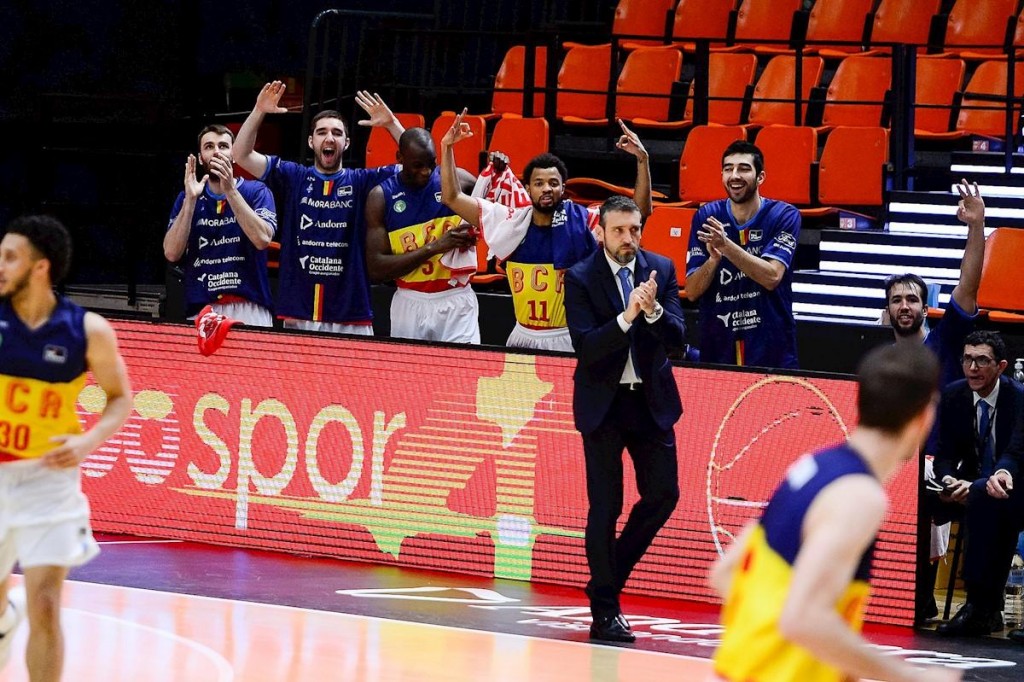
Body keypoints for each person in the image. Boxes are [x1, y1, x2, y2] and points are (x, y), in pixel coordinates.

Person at [710, 344, 961, 682]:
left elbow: (726, 573)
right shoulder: (860, 496)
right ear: (924, 417)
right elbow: (803, 618)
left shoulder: (814, 465)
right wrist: (911, 677)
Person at [0, 215, 132, 680]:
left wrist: (88, 439)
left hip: (47, 481)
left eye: (9, 257)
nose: (0, 266)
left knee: (47, 604)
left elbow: (120, 398)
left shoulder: (86, 330)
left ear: (41, 267)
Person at [563, 195, 687, 642]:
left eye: (634, 229)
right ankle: (606, 611)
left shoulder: (662, 270)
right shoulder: (580, 278)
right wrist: (627, 315)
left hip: (649, 401)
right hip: (604, 404)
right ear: (600, 232)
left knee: (663, 494)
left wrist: (653, 311)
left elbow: (678, 341)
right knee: (606, 506)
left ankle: (605, 580)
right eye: (619, 231)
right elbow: (587, 348)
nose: (629, 238)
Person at [441, 110, 652, 352]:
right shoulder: (509, 222)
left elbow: (639, 212)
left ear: (564, 189)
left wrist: (642, 159)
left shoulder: (585, 221)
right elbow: (452, 197)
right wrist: (447, 147)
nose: (547, 189)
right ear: (528, 188)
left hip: (569, 335)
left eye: (553, 183)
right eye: (539, 183)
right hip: (522, 334)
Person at [233, 82, 404, 334]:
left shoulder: (362, 181)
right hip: (299, 308)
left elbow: (419, 162)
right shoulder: (294, 176)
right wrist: (259, 111)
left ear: (346, 143)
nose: (329, 138)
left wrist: (391, 124)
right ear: (312, 141)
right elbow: (241, 154)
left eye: (337, 133)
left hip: (350, 311)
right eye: (322, 132)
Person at [932, 331, 1024, 636]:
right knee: (924, 498)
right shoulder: (953, 395)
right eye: (967, 359)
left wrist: (999, 476)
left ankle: (980, 606)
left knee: (988, 501)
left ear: (1000, 366)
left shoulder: (1018, 397)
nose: (973, 367)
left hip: (1014, 485)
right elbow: (944, 454)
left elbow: (1016, 450)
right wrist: (948, 480)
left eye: (982, 360)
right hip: (972, 485)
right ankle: (918, 601)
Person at [685, 140, 800, 369]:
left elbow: (771, 277)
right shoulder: (706, 216)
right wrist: (713, 259)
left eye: (744, 168)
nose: (734, 175)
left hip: (771, 348)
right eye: (728, 169)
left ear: (761, 177)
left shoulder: (784, 215)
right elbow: (692, 291)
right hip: (718, 345)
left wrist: (726, 246)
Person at [365, 127, 480, 343]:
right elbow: (376, 269)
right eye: (418, 165)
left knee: (463, 374)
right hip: (409, 300)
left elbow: (496, 208)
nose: (426, 171)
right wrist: (435, 247)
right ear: (399, 158)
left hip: (456, 298)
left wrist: (498, 171)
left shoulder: (458, 180)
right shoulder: (381, 197)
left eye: (431, 163)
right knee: (410, 376)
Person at [164, 124, 277, 326]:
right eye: (209, 146)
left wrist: (230, 191)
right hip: (202, 309)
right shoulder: (188, 197)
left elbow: (262, 239)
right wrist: (190, 201)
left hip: (249, 306)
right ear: (200, 158)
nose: (216, 151)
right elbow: (172, 253)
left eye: (223, 146)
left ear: (233, 155)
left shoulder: (257, 191)